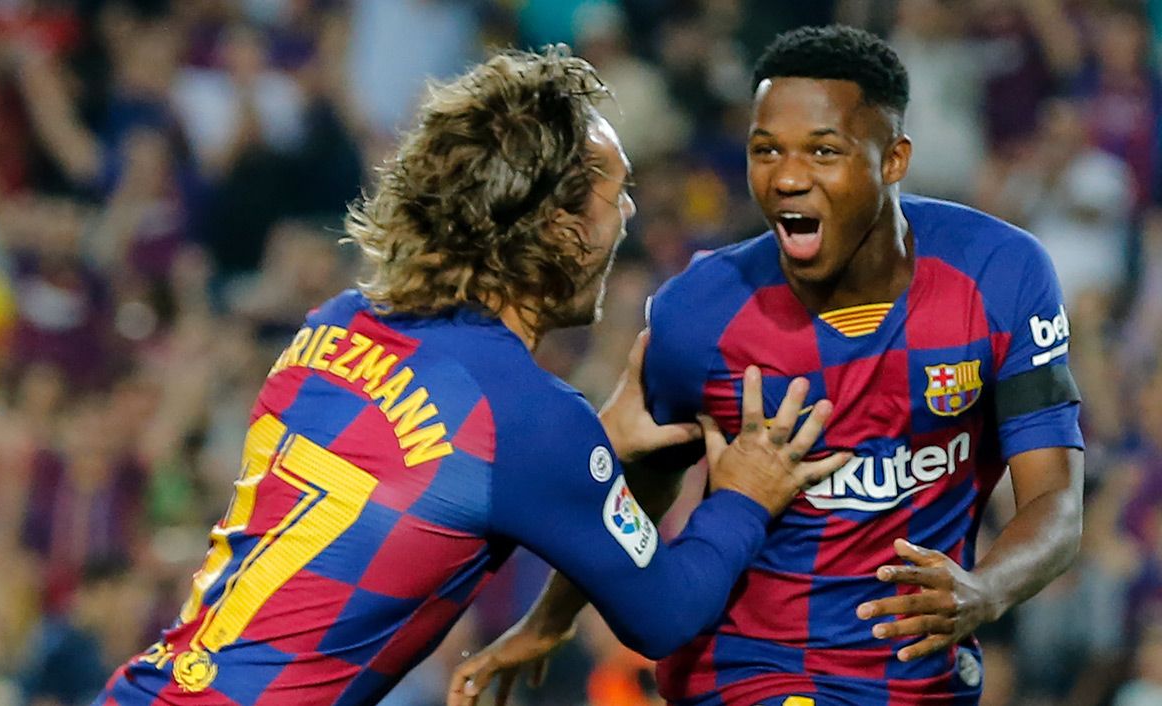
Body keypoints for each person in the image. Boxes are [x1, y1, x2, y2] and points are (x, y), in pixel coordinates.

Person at [91, 46, 850, 706]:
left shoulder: (337, 320)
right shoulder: (523, 418)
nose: (627, 212)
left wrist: (593, 446)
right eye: (614, 191)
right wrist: (744, 498)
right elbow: (667, 615)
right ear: (561, 229)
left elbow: (421, 481)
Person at [451, 26, 1085, 706]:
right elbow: (640, 483)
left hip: (918, 681)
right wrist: (551, 618)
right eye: (766, 151)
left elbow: (1054, 500)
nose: (787, 177)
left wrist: (983, 589)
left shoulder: (1001, 277)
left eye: (823, 151)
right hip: (751, 671)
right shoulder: (700, 312)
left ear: (893, 159)